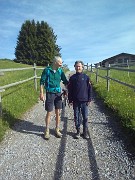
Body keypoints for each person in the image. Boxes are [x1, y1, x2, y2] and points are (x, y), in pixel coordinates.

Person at [40, 56, 68, 140]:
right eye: (60, 62)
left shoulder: (60, 71)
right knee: (49, 112)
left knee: (58, 112)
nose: (61, 64)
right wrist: (41, 93)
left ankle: (57, 129)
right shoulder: (47, 70)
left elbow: (65, 81)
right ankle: (47, 130)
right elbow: (41, 82)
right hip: (50, 93)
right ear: (55, 62)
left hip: (58, 93)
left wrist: (69, 89)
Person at [68, 61, 91, 139]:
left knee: (85, 117)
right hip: (75, 101)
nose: (78, 68)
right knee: (76, 117)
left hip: (84, 101)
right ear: (74, 67)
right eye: (77, 66)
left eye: (79, 66)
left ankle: (85, 132)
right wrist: (70, 100)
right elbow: (70, 90)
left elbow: (89, 89)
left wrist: (89, 99)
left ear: (82, 67)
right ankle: (78, 131)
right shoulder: (72, 78)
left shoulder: (86, 77)